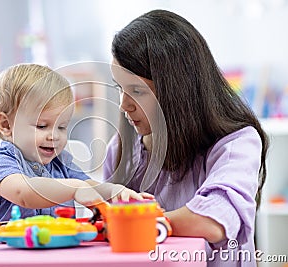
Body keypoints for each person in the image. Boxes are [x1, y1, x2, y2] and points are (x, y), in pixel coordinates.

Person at [103, 9, 268, 266]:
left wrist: (138, 222)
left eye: (136, 90)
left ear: (178, 89)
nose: (124, 105)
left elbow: (213, 221)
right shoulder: (120, 150)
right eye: (120, 89)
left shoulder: (237, 144)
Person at [0, 63, 149, 227]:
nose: (54, 136)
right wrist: (74, 187)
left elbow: (90, 186)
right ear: (6, 125)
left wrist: (113, 191)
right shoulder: (0, 162)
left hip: (60, 251)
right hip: (9, 253)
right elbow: (23, 193)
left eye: (62, 127)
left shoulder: (61, 163)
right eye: (42, 126)